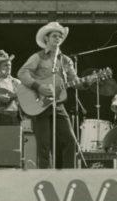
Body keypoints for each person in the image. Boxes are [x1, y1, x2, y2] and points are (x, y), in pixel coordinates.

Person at [17, 22, 89, 169]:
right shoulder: (38, 57)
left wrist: (86, 82)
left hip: (58, 105)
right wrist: (39, 87)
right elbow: (22, 73)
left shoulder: (66, 60)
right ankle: (45, 175)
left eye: (60, 36)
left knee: (70, 140)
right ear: (46, 39)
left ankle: (69, 174)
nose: (58, 38)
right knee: (44, 145)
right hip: (40, 105)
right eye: (54, 36)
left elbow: (73, 81)